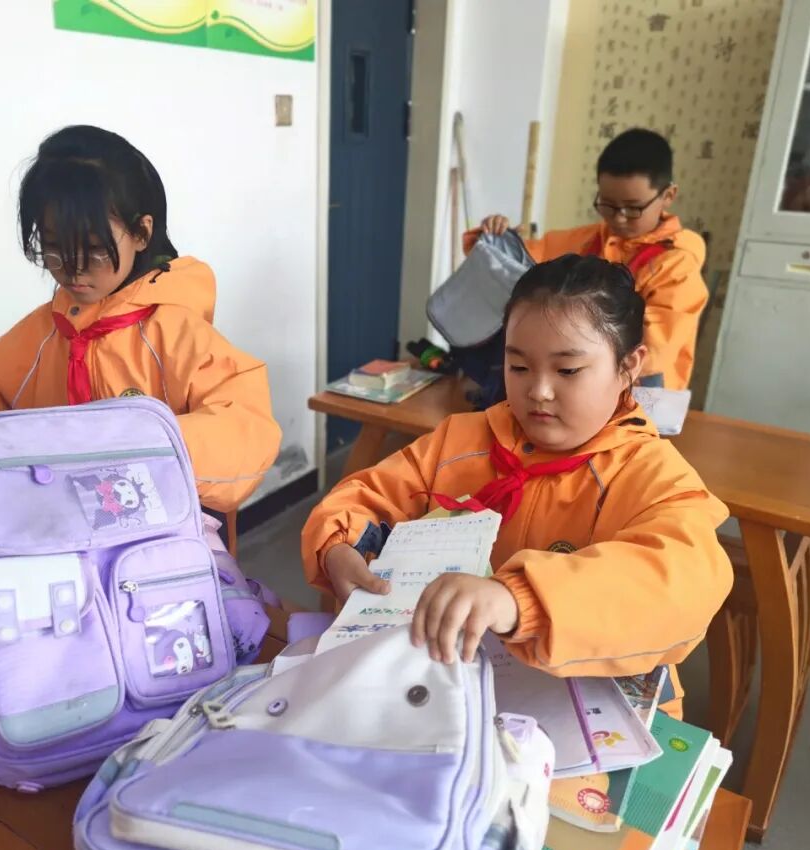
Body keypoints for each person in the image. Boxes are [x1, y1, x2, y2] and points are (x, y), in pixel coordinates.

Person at [301, 254, 731, 717]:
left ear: (629, 366)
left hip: (595, 711)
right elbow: (371, 495)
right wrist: (339, 544)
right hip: (460, 687)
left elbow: (683, 582)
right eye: (519, 367)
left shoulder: (651, 474)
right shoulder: (461, 441)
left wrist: (518, 599)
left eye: (567, 370)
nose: (538, 391)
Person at [0, 124, 280, 514]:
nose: (72, 270)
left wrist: (130, 442)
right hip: (59, 536)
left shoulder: (177, 332)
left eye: (93, 249)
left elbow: (247, 429)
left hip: (159, 545)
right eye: (52, 248)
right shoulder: (44, 334)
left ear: (142, 233)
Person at [469, 128, 707, 390]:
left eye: (633, 208)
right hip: (573, 383)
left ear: (668, 196)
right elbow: (515, 266)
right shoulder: (585, 241)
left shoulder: (677, 265)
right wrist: (496, 238)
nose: (618, 218)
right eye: (608, 204)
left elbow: (655, 347)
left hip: (639, 391)